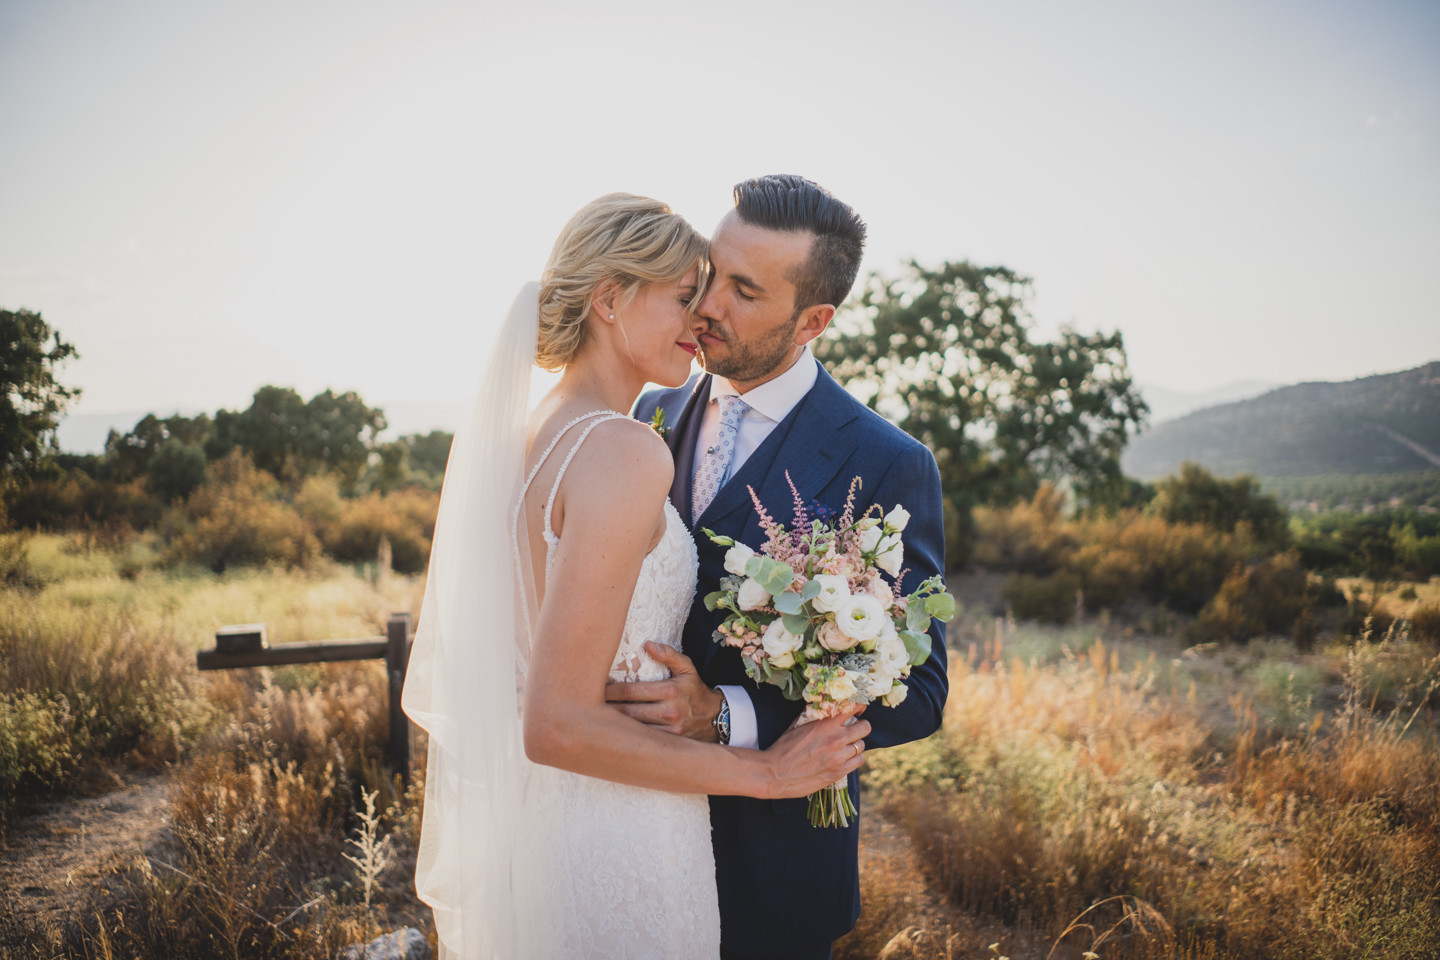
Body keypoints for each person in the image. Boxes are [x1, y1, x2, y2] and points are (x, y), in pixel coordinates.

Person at [401, 192, 871, 960]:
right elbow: (557, 723)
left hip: (545, 827)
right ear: (611, 299)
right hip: (621, 831)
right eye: (687, 295)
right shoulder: (626, 449)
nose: (702, 316)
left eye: (720, 291)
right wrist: (766, 774)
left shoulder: (528, 436)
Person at [618, 175, 950, 960]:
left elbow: (922, 693)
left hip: (773, 862)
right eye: (709, 272)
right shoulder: (647, 414)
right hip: (630, 819)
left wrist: (726, 716)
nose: (706, 305)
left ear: (814, 320)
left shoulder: (886, 463)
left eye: (744, 290)